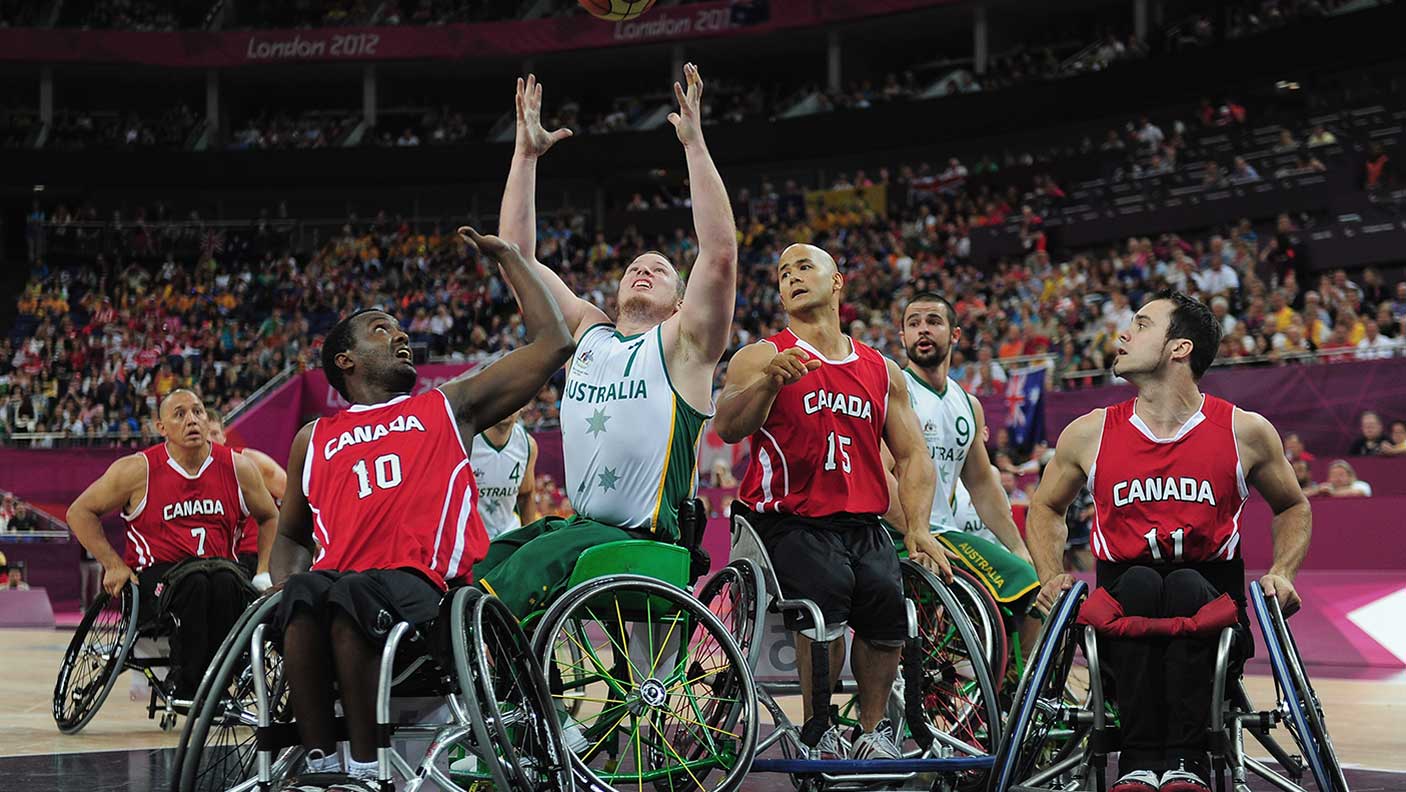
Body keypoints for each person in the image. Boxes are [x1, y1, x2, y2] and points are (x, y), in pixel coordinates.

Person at [270, 228, 573, 792]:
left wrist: (510, 260)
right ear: (346, 360)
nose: (401, 335)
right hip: (341, 590)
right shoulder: (313, 437)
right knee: (306, 593)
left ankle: (365, 765)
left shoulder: (446, 406)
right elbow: (290, 536)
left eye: (400, 327)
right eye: (382, 329)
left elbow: (552, 343)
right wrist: (283, 587)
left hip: (425, 596)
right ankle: (316, 762)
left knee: (348, 593)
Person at [473, 67, 738, 617]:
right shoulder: (588, 331)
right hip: (583, 532)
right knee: (476, 564)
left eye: (660, 269)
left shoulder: (685, 341)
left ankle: (487, 676)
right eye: (635, 267)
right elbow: (516, 260)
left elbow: (718, 253)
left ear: (681, 298)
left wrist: (694, 146)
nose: (643, 270)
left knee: (501, 594)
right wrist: (524, 158)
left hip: (646, 538)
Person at [1028, 290, 1310, 792]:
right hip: (1119, 613)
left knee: (1181, 583)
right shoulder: (1089, 433)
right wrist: (1051, 575)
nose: (1123, 335)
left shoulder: (1243, 430)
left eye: (1140, 324)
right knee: (1137, 582)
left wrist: (1283, 571)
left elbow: (1293, 506)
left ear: (1179, 348)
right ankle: (1138, 763)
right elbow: (1046, 507)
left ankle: (1187, 761)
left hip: (1212, 610)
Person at [714, 243, 950, 761]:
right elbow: (727, 426)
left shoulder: (881, 369)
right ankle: (819, 729)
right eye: (783, 273)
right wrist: (768, 384)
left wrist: (919, 527)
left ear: (837, 280)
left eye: (804, 267)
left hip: (862, 521)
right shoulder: (762, 354)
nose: (792, 277)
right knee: (828, 590)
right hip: (788, 519)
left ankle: (872, 732)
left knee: (887, 602)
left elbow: (913, 456)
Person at [66, 389, 279, 699]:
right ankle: (190, 686)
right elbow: (79, 512)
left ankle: (220, 682)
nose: (191, 420)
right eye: (179, 414)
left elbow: (270, 517)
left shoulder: (239, 467)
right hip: (159, 578)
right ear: (161, 427)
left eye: (198, 411)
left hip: (220, 569)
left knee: (223, 581)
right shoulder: (138, 470)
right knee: (195, 582)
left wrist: (262, 570)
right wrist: (113, 564)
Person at [890, 292, 1041, 659]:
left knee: (1027, 579)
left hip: (944, 533)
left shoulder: (967, 403)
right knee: (1027, 587)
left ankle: (1007, 694)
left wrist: (1018, 546)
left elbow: (982, 485)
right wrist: (914, 533)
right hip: (903, 532)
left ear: (955, 335)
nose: (923, 330)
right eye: (914, 323)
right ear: (903, 336)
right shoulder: (897, 389)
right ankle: (1015, 703)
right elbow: (882, 475)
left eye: (933, 321)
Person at [207, 409, 286, 583]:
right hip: (215, 558)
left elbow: (294, 496)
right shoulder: (190, 473)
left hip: (253, 554)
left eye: (214, 433)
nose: (210, 439)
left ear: (224, 436)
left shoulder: (251, 462)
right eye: (205, 433)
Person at [469, 408, 538, 539]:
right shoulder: (466, 440)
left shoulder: (528, 444)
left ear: (523, 405)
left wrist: (529, 542)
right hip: (471, 541)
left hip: (507, 536)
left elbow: (526, 495)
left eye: (513, 399)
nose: (506, 405)